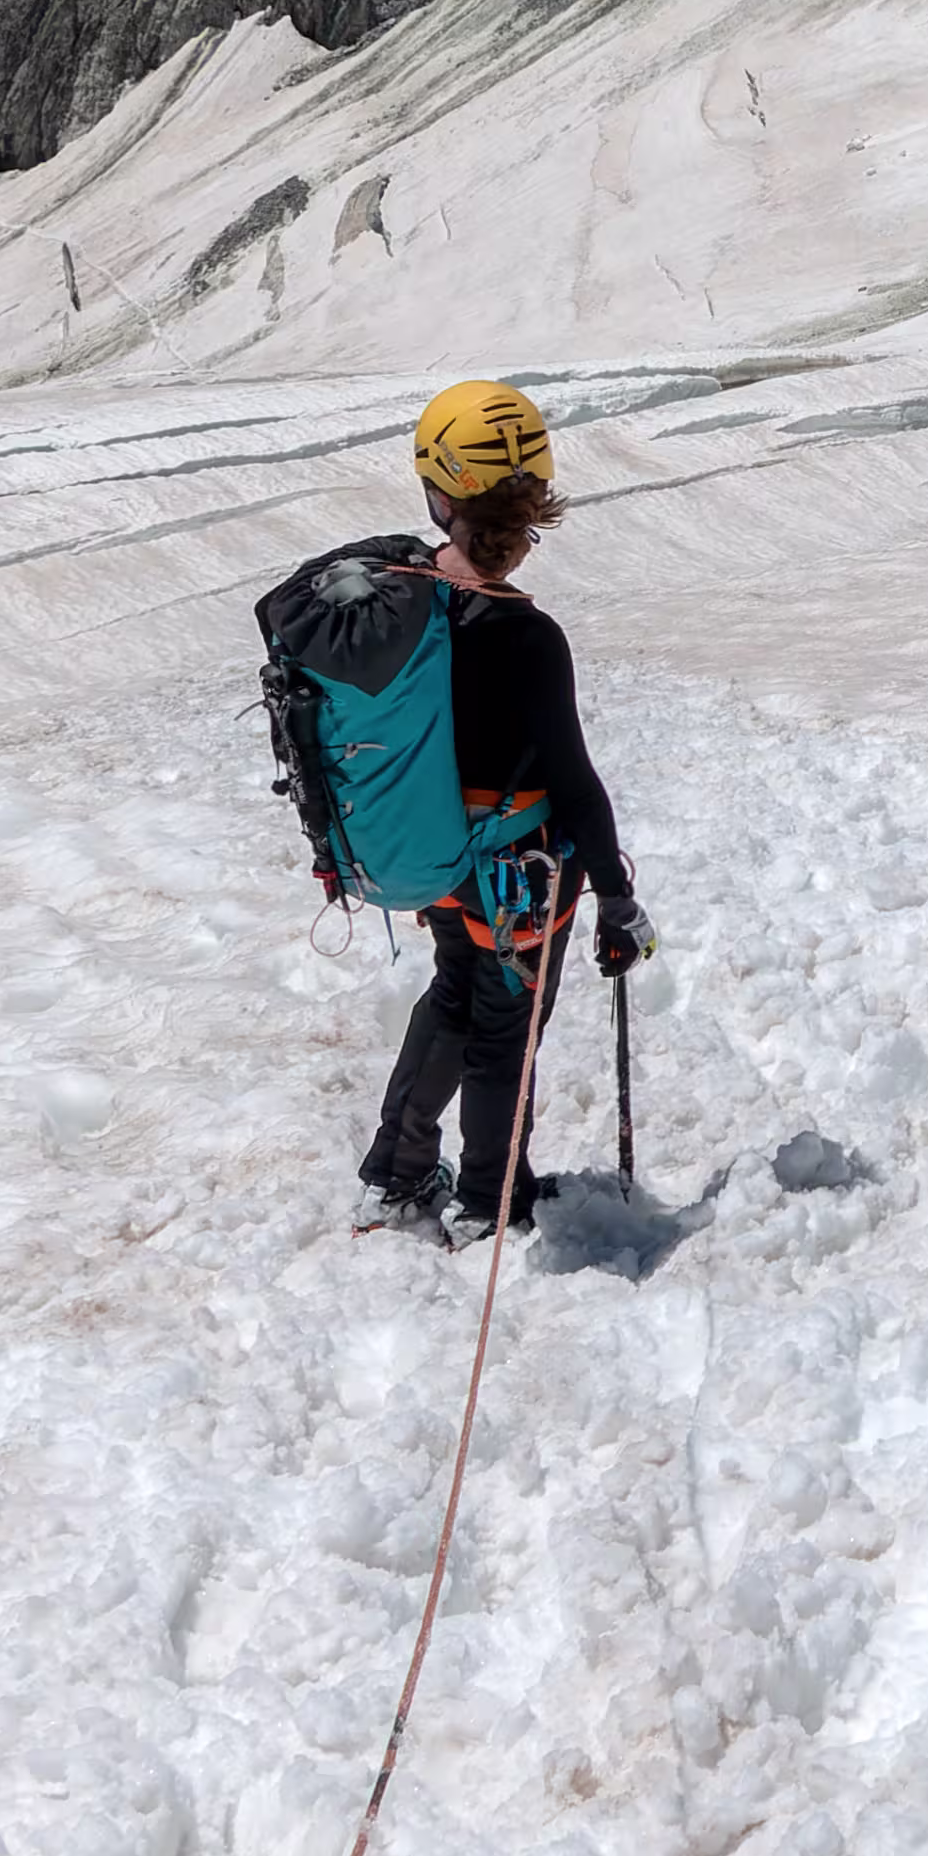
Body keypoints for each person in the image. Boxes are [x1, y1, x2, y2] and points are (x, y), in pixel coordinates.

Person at [358, 380, 648, 1238]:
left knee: (454, 994)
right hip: (523, 875)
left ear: (438, 494)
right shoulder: (526, 635)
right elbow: (573, 777)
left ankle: (398, 1173)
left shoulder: (402, 606)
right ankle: (491, 1197)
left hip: (434, 851)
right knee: (506, 1025)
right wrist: (615, 896)